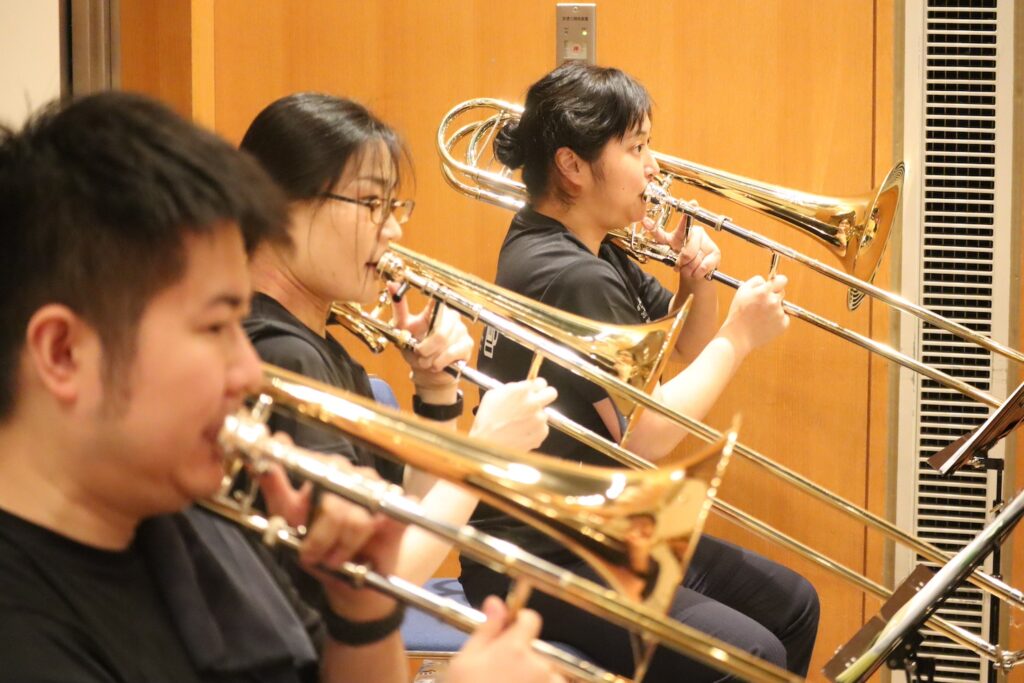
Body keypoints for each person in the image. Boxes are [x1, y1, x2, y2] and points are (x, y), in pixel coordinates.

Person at [0, 91, 563, 683]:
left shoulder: (186, 519)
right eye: (216, 325)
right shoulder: (25, 634)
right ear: (64, 353)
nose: (248, 371)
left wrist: (361, 613)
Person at [462, 62, 820, 680]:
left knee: (793, 605)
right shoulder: (572, 273)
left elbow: (679, 348)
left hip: (593, 525)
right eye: (636, 147)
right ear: (573, 167)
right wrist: (740, 337)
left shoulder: (583, 244)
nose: (654, 165)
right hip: (538, 554)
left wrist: (695, 284)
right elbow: (641, 444)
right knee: (749, 656)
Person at [239, 93, 557, 587]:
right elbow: (373, 577)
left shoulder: (318, 347)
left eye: (393, 206)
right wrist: (484, 455)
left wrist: (437, 394)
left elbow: (404, 510)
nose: (392, 229)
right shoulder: (279, 358)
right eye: (370, 203)